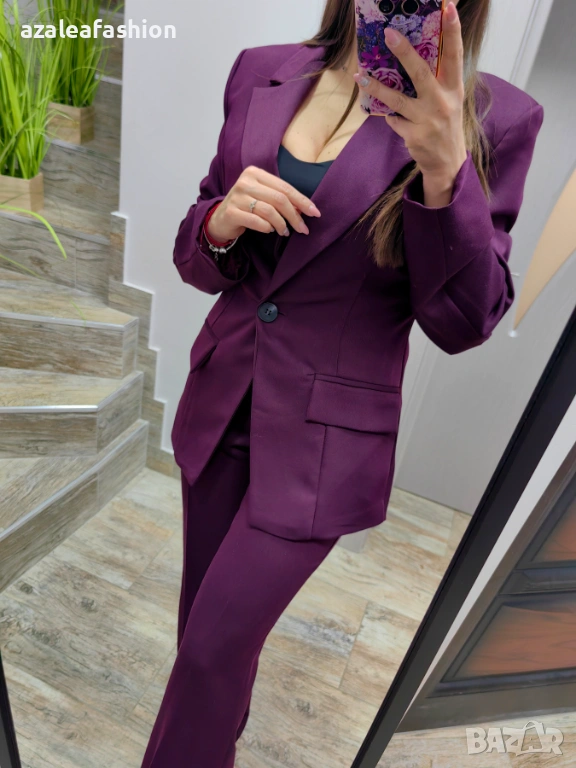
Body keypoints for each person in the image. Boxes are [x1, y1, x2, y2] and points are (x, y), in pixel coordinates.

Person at [141, 1, 544, 765]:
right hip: (222, 404)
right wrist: (220, 221)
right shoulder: (262, 70)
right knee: (207, 639)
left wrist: (445, 172)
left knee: (208, 651)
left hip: (324, 449)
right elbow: (200, 255)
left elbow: (465, 321)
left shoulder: (495, 119)